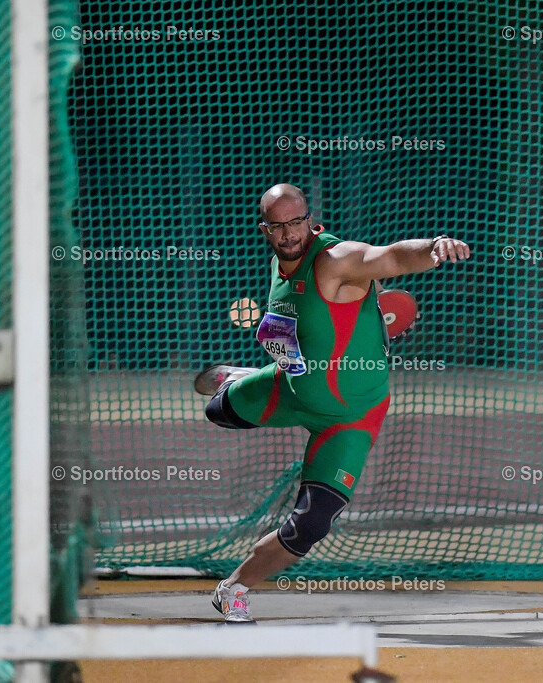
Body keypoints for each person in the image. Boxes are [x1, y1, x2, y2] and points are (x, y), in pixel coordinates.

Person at [195, 183, 470, 622]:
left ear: (310, 220)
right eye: (278, 225)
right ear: (264, 228)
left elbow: (391, 256)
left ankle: (233, 588)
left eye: (296, 223)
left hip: (350, 418)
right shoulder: (280, 266)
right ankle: (241, 378)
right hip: (293, 388)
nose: (288, 234)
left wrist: (434, 247)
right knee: (215, 410)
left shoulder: (336, 261)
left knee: (312, 523)